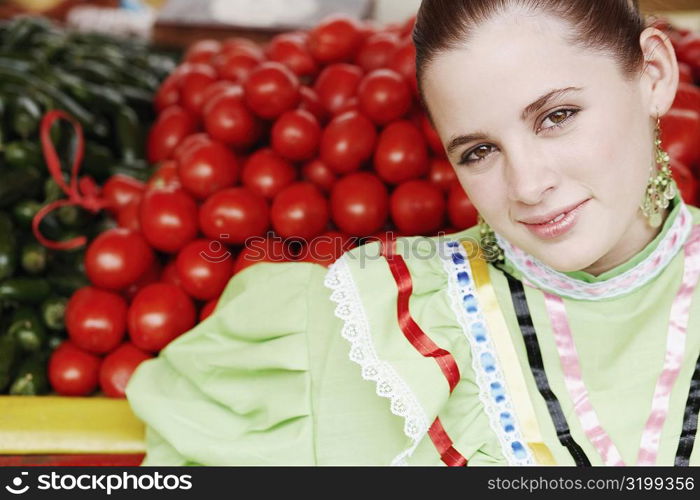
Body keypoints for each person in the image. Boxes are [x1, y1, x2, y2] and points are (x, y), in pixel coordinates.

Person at [125, 0, 700, 466]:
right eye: (479, 151)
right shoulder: (362, 325)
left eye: (557, 116)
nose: (527, 184)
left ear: (654, 74)